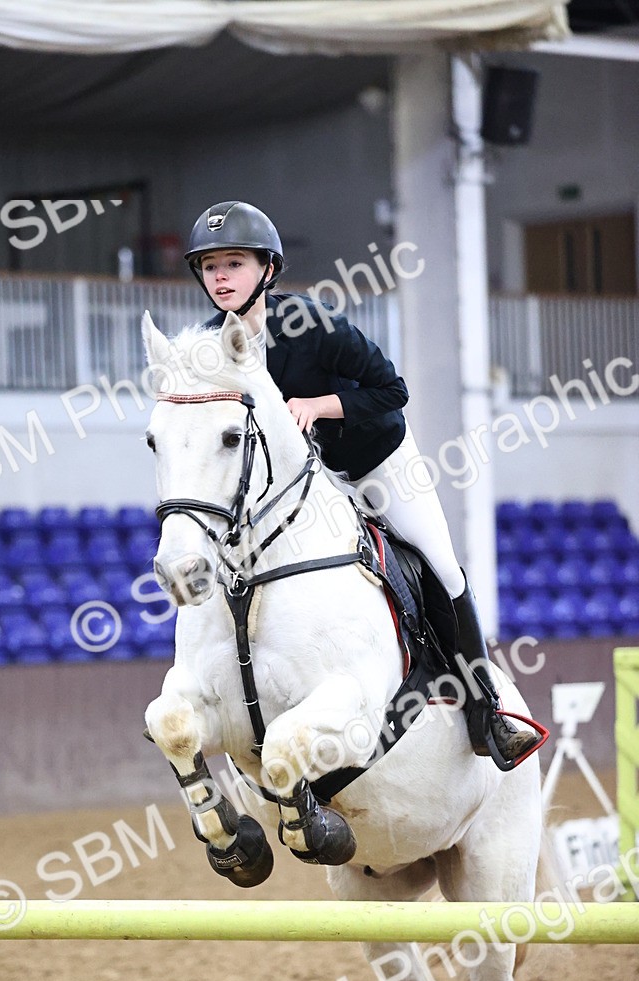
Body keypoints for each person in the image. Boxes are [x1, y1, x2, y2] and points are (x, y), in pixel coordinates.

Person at [184, 199, 541, 770]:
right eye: (210, 267)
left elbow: (391, 390)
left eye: (234, 263)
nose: (221, 277)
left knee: (442, 567)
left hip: (376, 462)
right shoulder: (208, 346)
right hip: (298, 486)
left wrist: (319, 405)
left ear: (267, 270)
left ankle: (486, 713)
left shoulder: (311, 324)